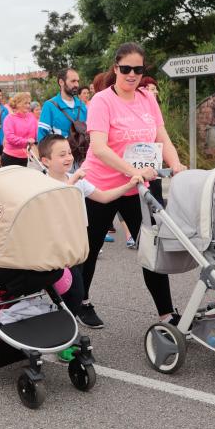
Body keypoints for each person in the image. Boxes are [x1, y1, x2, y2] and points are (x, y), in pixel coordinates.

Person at [80, 42, 187, 328]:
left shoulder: (146, 98)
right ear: (116, 68)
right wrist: (131, 172)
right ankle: (81, 302)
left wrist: (176, 164)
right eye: (125, 69)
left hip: (139, 187)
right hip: (102, 186)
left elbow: (161, 136)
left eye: (137, 70)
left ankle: (167, 313)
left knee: (152, 248)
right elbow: (100, 148)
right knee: (88, 248)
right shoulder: (102, 101)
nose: (131, 74)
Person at [38, 134, 143, 356]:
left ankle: (64, 336)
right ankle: (62, 340)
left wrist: (128, 185)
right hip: (55, 250)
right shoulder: (43, 183)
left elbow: (104, 197)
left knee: (73, 293)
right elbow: (55, 201)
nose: (68, 157)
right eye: (61, 154)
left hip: (76, 247)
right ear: (45, 160)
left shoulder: (77, 180)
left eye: (69, 152)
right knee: (67, 293)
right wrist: (73, 180)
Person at [36, 68, 87, 142]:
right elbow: (42, 137)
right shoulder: (49, 106)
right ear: (61, 82)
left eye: (77, 81)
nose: (77, 84)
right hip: (60, 152)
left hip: (82, 152)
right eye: (73, 81)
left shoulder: (82, 105)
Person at [1, 92, 37, 167]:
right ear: (17, 104)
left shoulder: (31, 117)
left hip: (26, 156)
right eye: (25, 103)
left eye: (29, 103)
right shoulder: (9, 118)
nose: (28, 106)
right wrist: (26, 141)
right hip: (10, 157)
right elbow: (10, 138)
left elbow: (36, 134)